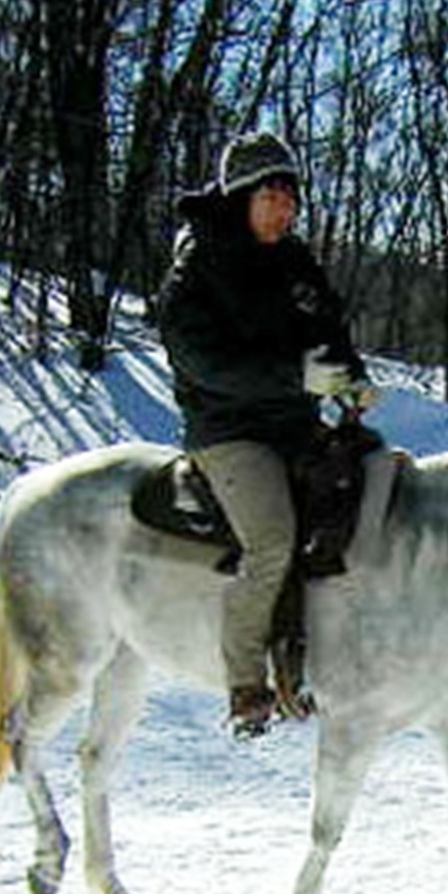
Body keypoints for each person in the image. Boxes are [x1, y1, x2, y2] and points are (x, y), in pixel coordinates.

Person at [154, 131, 373, 737]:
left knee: (370, 492)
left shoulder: (295, 262)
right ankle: (247, 683)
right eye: (272, 197)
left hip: (295, 424)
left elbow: (327, 328)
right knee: (273, 539)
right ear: (240, 197)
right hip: (229, 431)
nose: (285, 210)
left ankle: (329, 649)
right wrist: (294, 375)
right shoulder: (197, 268)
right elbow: (202, 362)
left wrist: (349, 377)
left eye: (291, 198)